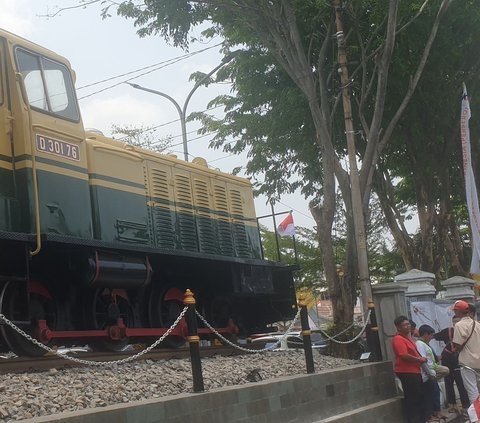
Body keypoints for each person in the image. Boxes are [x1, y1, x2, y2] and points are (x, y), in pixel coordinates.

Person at [392, 315, 427, 423]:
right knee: (413, 397)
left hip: (414, 371)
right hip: (407, 371)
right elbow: (403, 355)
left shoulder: (408, 338)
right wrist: (418, 359)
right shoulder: (398, 339)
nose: (408, 326)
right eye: (405, 325)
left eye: (408, 324)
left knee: (418, 396)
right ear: (398, 328)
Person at [434, 316, 470, 415]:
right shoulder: (448, 331)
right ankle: (452, 405)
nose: (456, 324)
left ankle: (465, 406)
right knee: (448, 381)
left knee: (461, 382)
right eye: (454, 322)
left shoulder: (467, 332)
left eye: (458, 322)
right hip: (447, 358)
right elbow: (434, 336)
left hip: (460, 359)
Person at [416, 324, 449, 422]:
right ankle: (429, 415)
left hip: (432, 371)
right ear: (426, 334)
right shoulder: (420, 344)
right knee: (429, 394)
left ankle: (436, 412)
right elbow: (423, 361)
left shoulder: (425, 344)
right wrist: (430, 374)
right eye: (431, 335)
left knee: (435, 391)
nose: (431, 338)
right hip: (427, 373)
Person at [452, 300, 480, 404]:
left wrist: (455, 349)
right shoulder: (477, 324)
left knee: (472, 391)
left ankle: (477, 417)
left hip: (467, 362)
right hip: (478, 361)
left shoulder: (459, 325)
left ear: (457, 311)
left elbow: (458, 344)